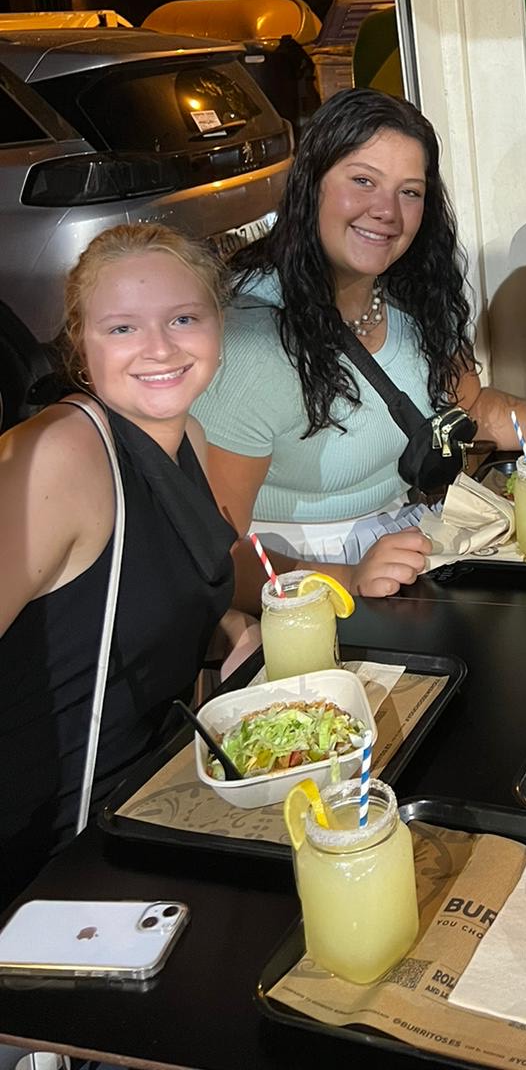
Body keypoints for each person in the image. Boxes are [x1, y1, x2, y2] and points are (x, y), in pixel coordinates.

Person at [194, 89, 526, 599]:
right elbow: (215, 558)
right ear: (310, 186)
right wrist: (347, 580)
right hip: (298, 583)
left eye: (410, 192)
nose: (387, 211)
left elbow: (474, 410)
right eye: (363, 181)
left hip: (408, 548)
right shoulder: (254, 341)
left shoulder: (413, 296)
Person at [0, 224, 235, 906]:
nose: (160, 348)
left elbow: (137, 593)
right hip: (52, 866)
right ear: (80, 343)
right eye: (123, 328)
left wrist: (231, 626)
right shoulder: (57, 457)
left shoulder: (186, 435)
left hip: (151, 805)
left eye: (183, 318)